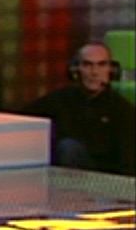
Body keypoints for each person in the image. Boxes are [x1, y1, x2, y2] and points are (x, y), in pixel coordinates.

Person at [27, 44, 134, 175]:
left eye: (101, 65)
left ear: (112, 70)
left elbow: (128, 163)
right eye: (87, 65)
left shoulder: (122, 110)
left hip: (105, 180)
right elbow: (23, 120)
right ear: (74, 69)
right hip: (58, 176)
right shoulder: (58, 100)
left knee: (69, 148)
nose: (94, 72)